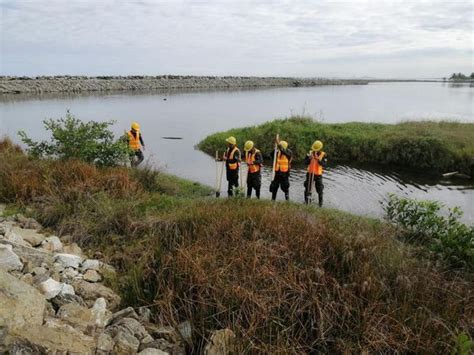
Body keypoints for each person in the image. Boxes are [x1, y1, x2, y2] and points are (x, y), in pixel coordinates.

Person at [304, 140, 327, 206]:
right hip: (310, 173)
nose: (315, 151)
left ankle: (320, 205)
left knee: (320, 190)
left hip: (318, 175)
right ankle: (307, 202)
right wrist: (309, 159)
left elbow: (325, 164)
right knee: (307, 188)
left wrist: (318, 160)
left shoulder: (324, 154)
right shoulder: (309, 153)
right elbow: (305, 162)